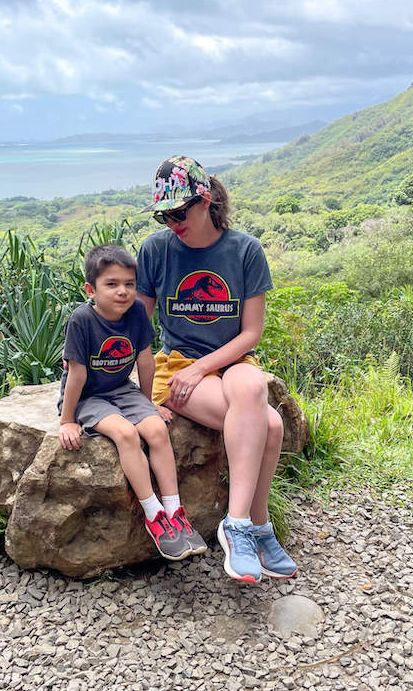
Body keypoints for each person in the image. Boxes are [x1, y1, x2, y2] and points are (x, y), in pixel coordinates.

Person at [136, 155, 298, 583]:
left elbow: (250, 335)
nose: (172, 222)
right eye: (163, 214)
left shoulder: (244, 251)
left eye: (179, 211)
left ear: (205, 199)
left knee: (251, 389)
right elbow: (137, 328)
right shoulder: (156, 250)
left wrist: (204, 368)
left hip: (230, 360)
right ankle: (255, 528)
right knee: (272, 426)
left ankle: (238, 524)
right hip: (175, 368)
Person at [58, 243, 208, 561]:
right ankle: (154, 515)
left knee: (155, 429)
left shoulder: (137, 311)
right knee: (126, 434)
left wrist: (147, 403)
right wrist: (67, 420)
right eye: (111, 284)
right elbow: (77, 376)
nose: (123, 292)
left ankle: (174, 510)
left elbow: (145, 360)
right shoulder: (81, 321)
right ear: (91, 289)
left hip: (123, 389)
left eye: (129, 283)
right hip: (89, 397)